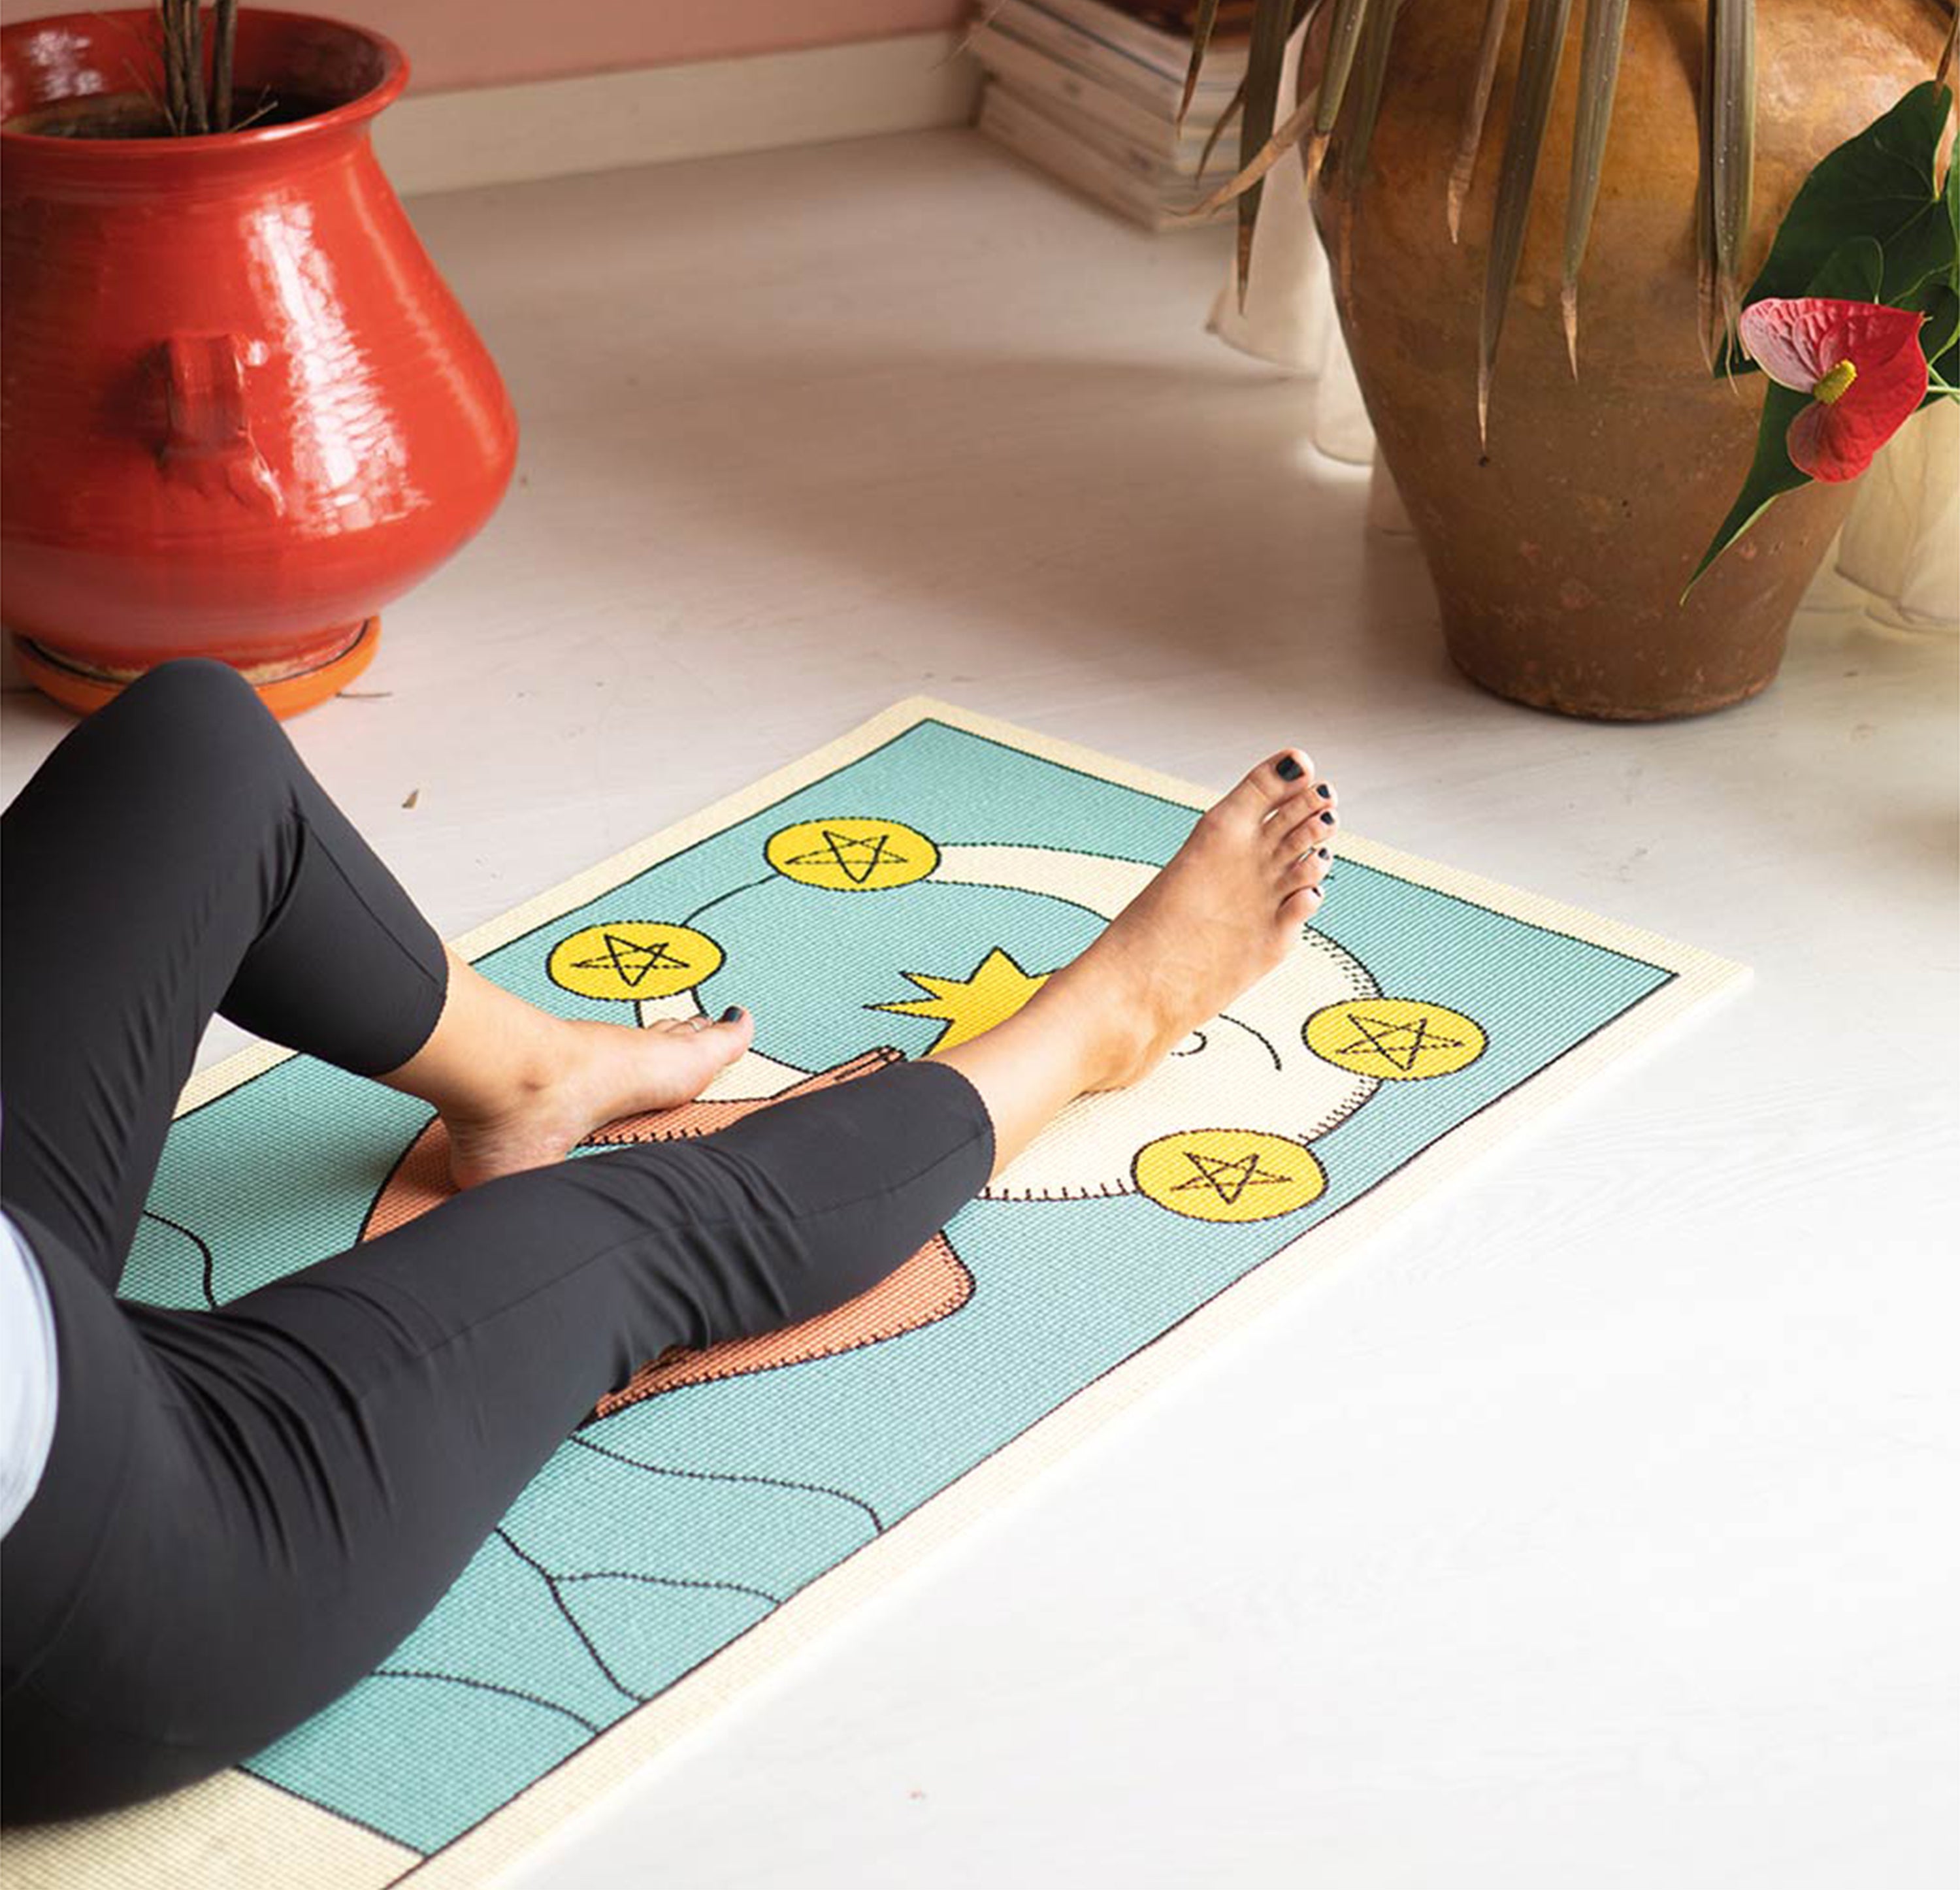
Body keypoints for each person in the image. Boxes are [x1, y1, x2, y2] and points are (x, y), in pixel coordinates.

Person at [0, 660, 1337, 1823]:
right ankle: (1109, 1018)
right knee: (638, 1226)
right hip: (110, 1569)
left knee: (194, 750)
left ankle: (529, 1075)